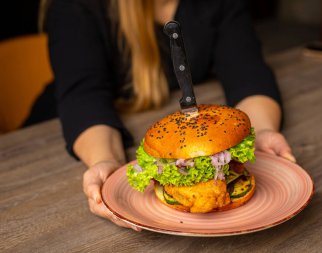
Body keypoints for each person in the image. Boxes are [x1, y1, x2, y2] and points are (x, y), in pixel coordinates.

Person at [40, 0, 296, 230]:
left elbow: (248, 74)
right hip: (50, 139)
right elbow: (84, 99)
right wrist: (105, 160)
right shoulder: (76, 7)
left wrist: (261, 132)